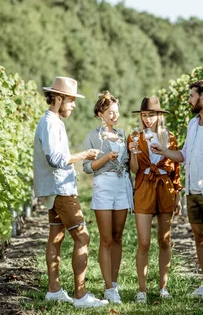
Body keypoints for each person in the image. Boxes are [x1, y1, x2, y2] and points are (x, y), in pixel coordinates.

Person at [150, 80, 203, 303]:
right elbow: (184, 155)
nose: (189, 100)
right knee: (200, 237)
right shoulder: (192, 124)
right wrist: (164, 151)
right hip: (193, 191)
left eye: (192, 96)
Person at [33, 76, 109, 308]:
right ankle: (81, 295)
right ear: (58, 98)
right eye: (71, 100)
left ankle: (54, 290)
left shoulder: (52, 121)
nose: (74, 105)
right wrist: (84, 155)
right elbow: (56, 160)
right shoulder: (50, 123)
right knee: (82, 237)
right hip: (61, 189)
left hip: (56, 188)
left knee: (56, 237)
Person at [127, 96, 182, 304]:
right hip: (143, 187)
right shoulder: (134, 136)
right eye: (144, 115)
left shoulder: (169, 137)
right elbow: (133, 170)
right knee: (144, 241)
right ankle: (142, 289)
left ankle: (163, 287)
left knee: (164, 240)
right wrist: (133, 154)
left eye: (151, 115)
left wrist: (177, 195)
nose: (147, 119)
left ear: (159, 116)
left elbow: (175, 170)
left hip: (165, 187)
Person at [82, 91, 133, 304]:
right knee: (106, 239)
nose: (114, 116)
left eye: (117, 112)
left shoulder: (122, 135)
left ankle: (115, 282)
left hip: (122, 185)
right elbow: (87, 168)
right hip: (103, 186)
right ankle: (108, 287)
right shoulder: (92, 137)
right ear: (100, 114)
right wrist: (104, 158)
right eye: (110, 112)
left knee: (118, 236)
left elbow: (130, 165)